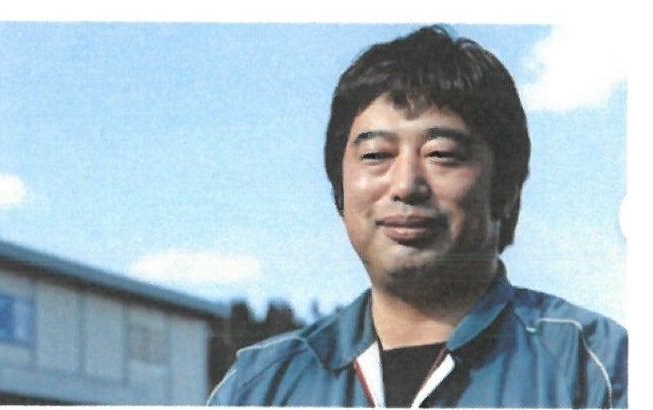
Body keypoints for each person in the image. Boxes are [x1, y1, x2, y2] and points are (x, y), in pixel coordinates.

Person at [207, 25, 626, 408]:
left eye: (440, 154)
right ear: (340, 188)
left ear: (505, 187)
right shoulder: (257, 388)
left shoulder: (597, 369)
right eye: (376, 155)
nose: (406, 185)